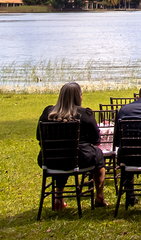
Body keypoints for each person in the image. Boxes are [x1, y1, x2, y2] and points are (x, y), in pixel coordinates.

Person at [37, 82, 107, 210]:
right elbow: (96, 139)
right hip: (78, 158)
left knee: (63, 155)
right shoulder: (85, 114)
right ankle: (99, 196)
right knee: (98, 155)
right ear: (78, 96)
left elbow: (39, 137)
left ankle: (58, 197)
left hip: (49, 159)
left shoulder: (47, 113)